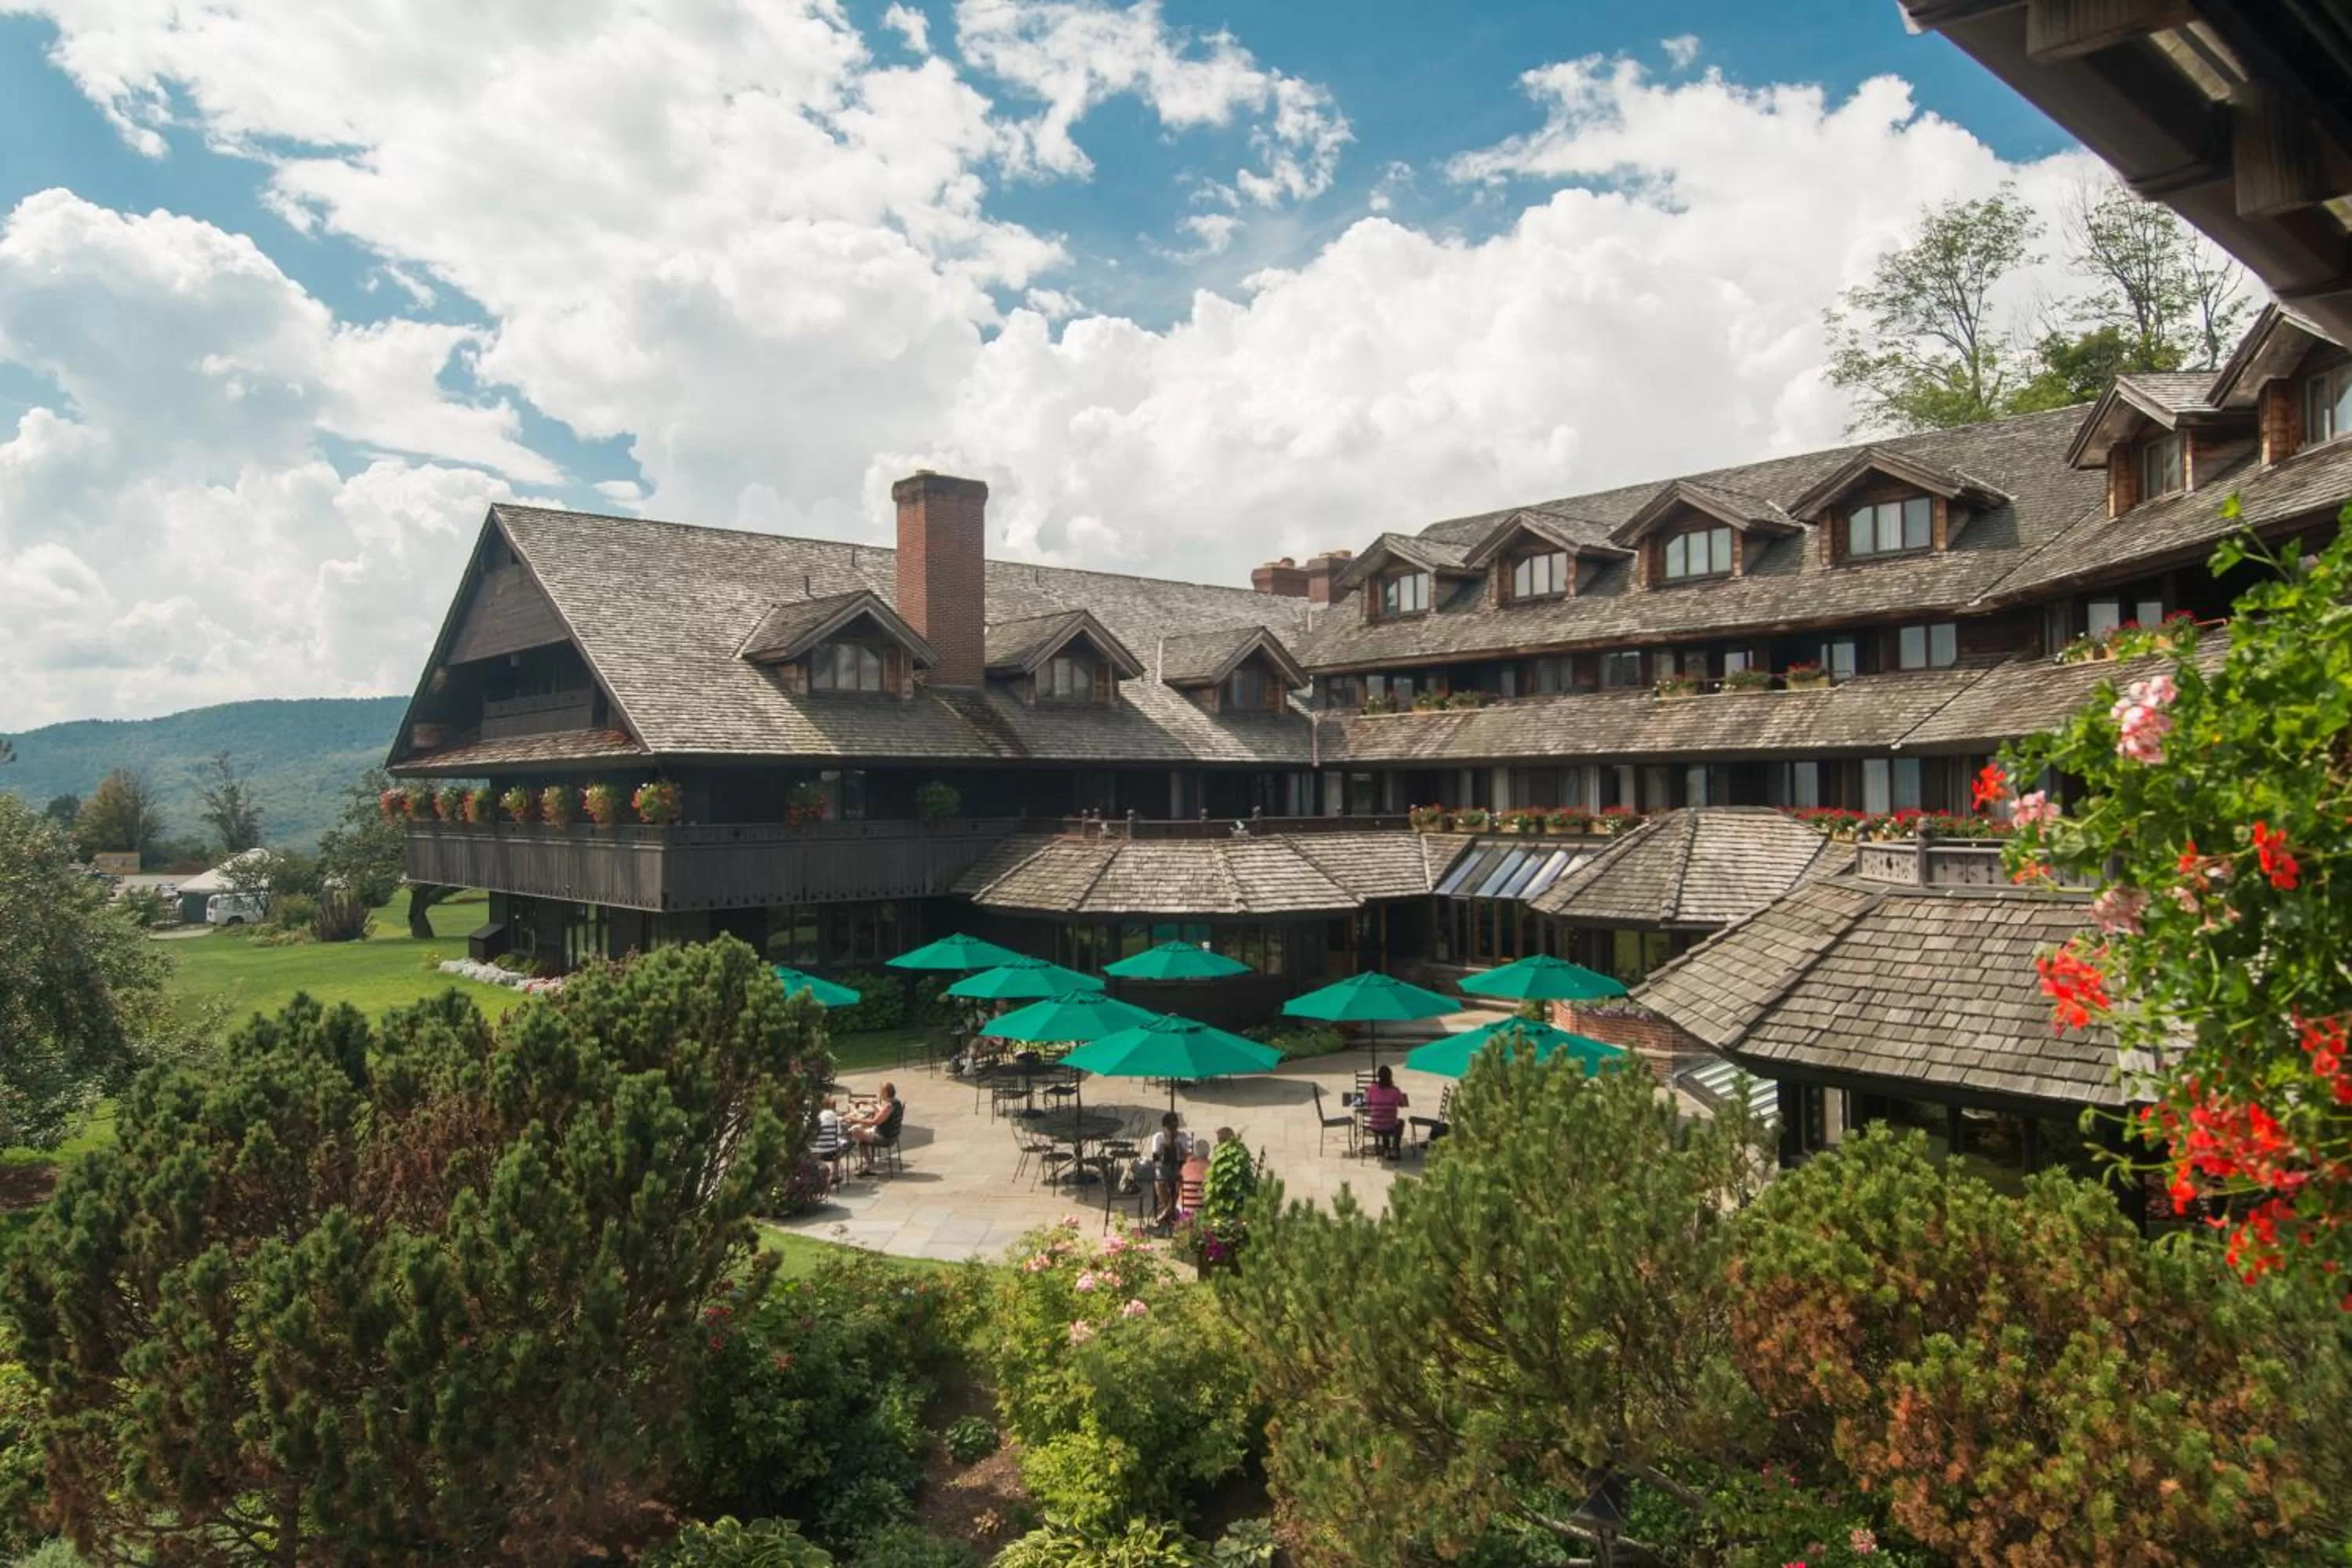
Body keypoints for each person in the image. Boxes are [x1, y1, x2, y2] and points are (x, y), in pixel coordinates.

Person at [848, 1082, 904, 1174]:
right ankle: (869, 1163)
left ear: (885, 1092)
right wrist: (870, 1103)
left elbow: (874, 1122)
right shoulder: (896, 1103)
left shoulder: (889, 1106)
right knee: (862, 1135)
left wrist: (854, 1119)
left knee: (855, 1131)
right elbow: (882, 1115)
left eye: (881, 1091)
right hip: (892, 1135)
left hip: (885, 1138)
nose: (880, 1093)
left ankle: (869, 1165)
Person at [1146, 1112, 1189, 1227]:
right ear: (1164, 1127)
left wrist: (1179, 1146)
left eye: (1175, 1127)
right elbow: (1155, 1159)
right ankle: (1171, 1212)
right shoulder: (1158, 1137)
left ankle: (1166, 1213)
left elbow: (1187, 1158)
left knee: (1177, 1185)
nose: (1172, 1130)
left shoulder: (1182, 1137)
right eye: (1169, 1128)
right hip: (1163, 1168)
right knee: (1160, 1182)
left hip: (1178, 1169)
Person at [1361, 1065, 1409, 1160]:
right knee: (1400, 1123)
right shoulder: (1395, 1091)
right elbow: (1403, 1104)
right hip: (1390, 1126)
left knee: (1384, 1121)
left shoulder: (1372, 1089)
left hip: (1375, 1126)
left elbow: (1368, 1103)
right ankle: (1394, 1149)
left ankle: (1385, 1148)